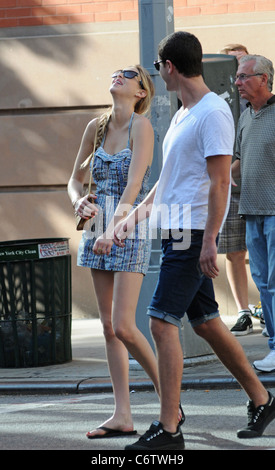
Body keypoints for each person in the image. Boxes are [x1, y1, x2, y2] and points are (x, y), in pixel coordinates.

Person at [114, 32, 275, 450]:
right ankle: (262, 398)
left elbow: (220, 182)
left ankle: (169, 429)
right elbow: (169, 181)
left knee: (160, 322)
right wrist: (130, 220)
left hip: (191, 235)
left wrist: (209, 241)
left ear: (170, 66)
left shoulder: (213, 113)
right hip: (173, 231)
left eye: (158, 67)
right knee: (205, 322)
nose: (158, 74)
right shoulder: (184, 113)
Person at [68, 65, 168, 439]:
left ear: (141, 92)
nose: (118, 77)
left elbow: (135, 184)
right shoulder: (95, 126)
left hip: (128, 227)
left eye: (128, 75)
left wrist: (115, 228)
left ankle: (169, 402)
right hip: (95, 228)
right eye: (114, 73)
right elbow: (74, 180)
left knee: (125, 325)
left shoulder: (142, 127)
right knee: (109, 327)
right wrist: (78, 202)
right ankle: (122, 414)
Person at [232, 54, 275, 373]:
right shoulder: (244, 116)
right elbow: (238, 156)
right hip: (251, 211)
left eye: (244, 77)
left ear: (263, 78)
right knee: (262, 282)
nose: (237, 83)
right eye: (236, 77)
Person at [217, 44, 254, 336]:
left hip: (260, 184)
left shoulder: (261, 103)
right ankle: (243, 311)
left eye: (241, 64)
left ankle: (268, 308)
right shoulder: (218, 100)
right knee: (233, 250)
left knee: (267, 247)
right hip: (231, 184)